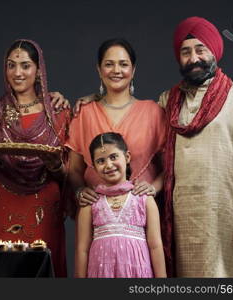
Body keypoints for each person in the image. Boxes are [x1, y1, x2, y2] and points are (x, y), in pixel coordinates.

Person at [159, 16, 233, 277]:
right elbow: (134, 121)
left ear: (214, 51)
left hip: (227, 218)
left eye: (200, 49)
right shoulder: (168, 101)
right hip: (182, 220)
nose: (193, 58)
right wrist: (95, 96)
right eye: (185, 52)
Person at [0, 39, 71, 277]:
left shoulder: (58, 111)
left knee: (40, 271)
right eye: (11, 65)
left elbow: (68, 173)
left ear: (38, 71)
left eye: (25, 65)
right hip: (0, 201)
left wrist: (55, 165)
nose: (18, 73)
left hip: (44, 205)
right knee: (1, 271)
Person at [66, 38, 167, 207]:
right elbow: (74, 169)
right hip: (96, 215)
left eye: (123, 64)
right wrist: (80, 191)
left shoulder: (153, 112)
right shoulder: (84, 113)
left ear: (133, 70)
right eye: (109, 64)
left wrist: (153, 188)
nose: (116, 70)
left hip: (141, 215)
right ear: (99, 70)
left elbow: (169, 165)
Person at [75, 132, 166, 278]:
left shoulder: (143, 199)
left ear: (127, 157)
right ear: (94, 166)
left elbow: (155, 246)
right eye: (100, 161)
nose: (108, 165)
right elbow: (82, 249)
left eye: (113, 157)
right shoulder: (90, 203)